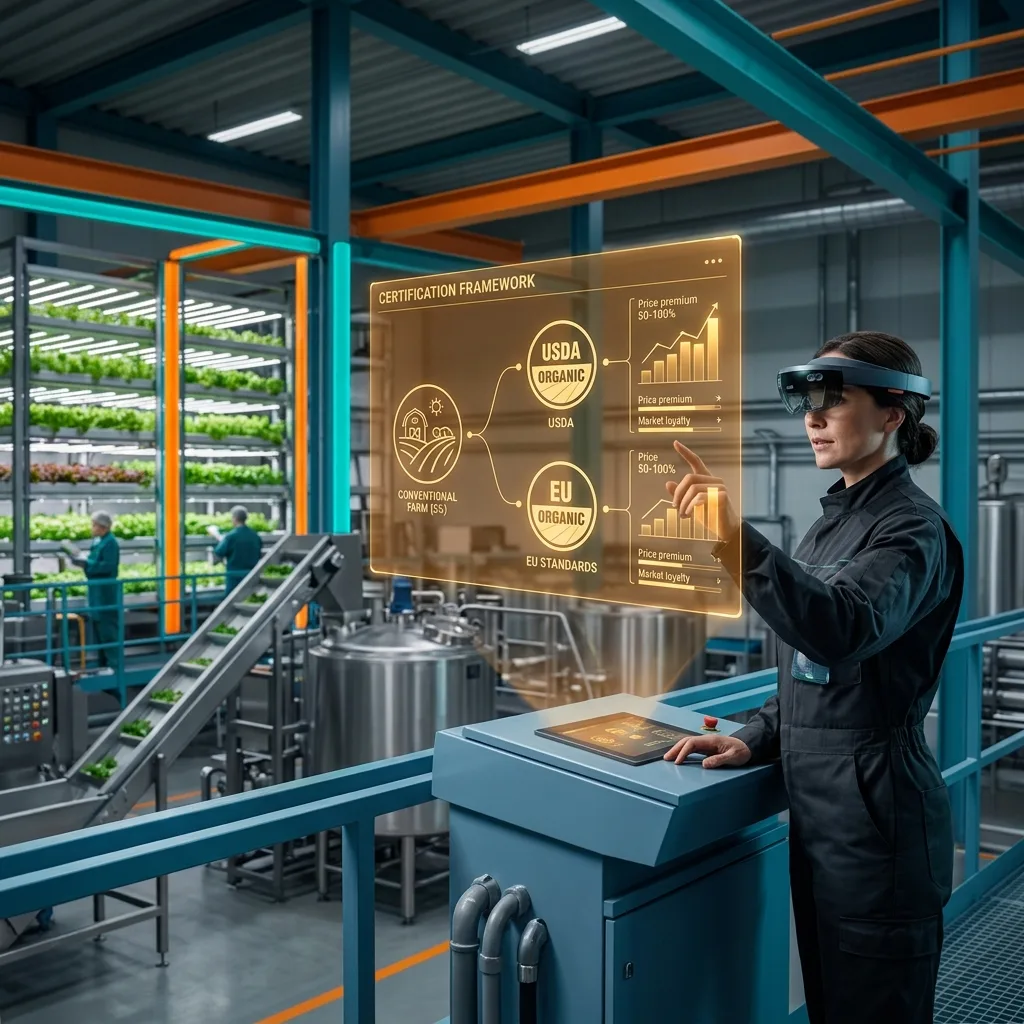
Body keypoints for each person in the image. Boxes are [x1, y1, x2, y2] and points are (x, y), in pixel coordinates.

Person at [663, 331, 964, 1024]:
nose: (813, 417)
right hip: (823, 823)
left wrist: (730, 535)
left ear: (894, 414)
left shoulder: (912, 532)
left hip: (877, 827)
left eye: (835, 398)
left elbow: (843, 628)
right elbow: (811, 669)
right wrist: (758, 736)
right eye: (807, 400)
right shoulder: (829, 528)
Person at [67, 511, 121, 673]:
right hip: (96, 592)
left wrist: (87, 563)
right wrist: (83, 562)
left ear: (103, 527)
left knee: (108, 632)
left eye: (94, 525)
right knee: (98, 631)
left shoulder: (111, 543)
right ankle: (103, 665)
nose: (92, 528)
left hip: (105, 594)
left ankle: (114, 667)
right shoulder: (97, 542)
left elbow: (109, 566)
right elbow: (94, 564)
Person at [208, 505, 263, 593]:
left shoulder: (231, 536)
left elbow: (218, 553)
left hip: (234, 578)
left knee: (232, 601)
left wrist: (216, 535)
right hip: (252, 576)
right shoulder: (255, 536)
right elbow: (259, 554)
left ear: (234, 518)